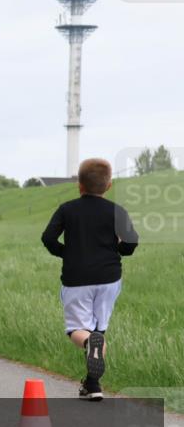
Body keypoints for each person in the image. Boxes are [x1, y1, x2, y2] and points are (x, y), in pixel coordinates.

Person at [41, 158, 138, 401]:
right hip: (109, 279)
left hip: (77, 278)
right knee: (98, 330)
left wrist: (67, 253)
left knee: (78, 330)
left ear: (80, 185)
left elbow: (48, 238)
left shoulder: (67, 209)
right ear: (109, 185)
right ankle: (92, 385)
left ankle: (88, 350)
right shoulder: (117, 210)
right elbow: (131, 243)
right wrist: (117, 250)